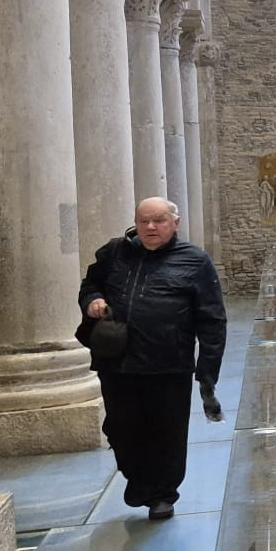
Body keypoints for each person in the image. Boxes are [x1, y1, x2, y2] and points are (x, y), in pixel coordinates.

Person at [76, 197, 228, 520]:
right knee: (120, 427)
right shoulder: (114, 253)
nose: (150, 227)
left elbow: (212, 319)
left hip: (168, 365)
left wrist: (207, 371)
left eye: (158, 220)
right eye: (144, 220)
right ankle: (139, 478)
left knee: (167, 432)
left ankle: (162, 494)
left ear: (175, 223)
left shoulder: (195, 261)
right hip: (118, 363)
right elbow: (90, 284)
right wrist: (93, 299)